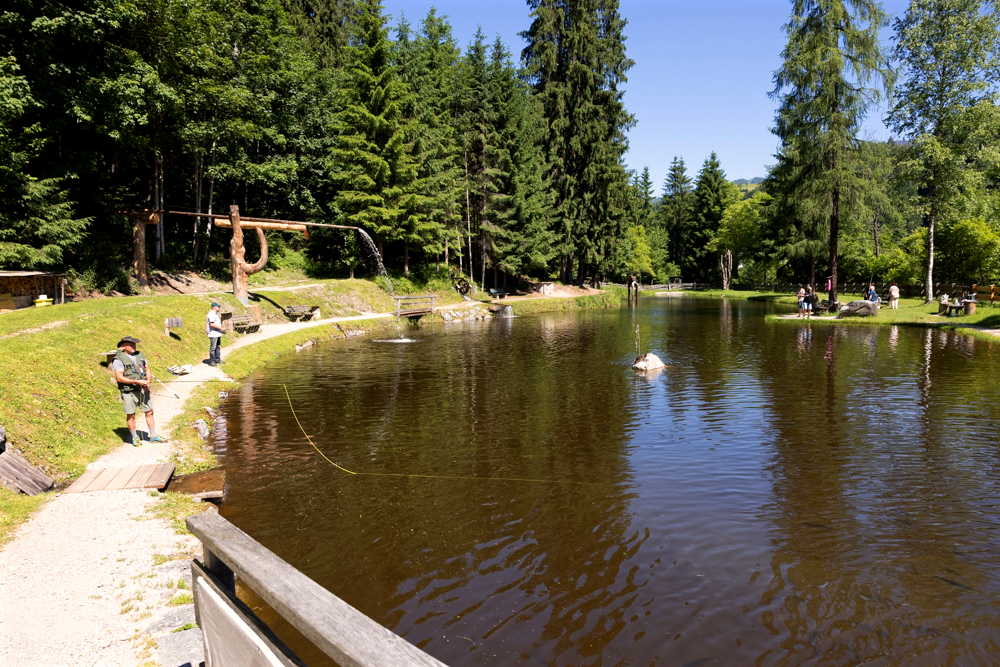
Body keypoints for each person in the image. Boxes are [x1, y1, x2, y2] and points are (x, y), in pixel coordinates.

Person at [112, 336, 166, 446]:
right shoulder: (118, 359)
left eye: (134, 344)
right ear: (123, 346)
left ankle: (153, 436)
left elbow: (147, 369)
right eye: (130, 344)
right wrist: (137, 382)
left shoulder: (140, 355)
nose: (133, 346)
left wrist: (148, 382)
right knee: (131, 415)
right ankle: (135, 437)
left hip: (142, 389)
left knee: (149, 411)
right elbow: (119, 377)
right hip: (129, 391)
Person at [206, 302, 224, 366]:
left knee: (218, 347)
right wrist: (220, 328)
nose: (219, 308)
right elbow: (212, 324)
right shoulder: (211, 314)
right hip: (213, 334)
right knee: (213, 348)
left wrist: (220, 330)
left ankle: (217, 359)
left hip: (217, 333)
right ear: (215, 307)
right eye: (218, 307)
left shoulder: (215, 314)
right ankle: (212, 361)